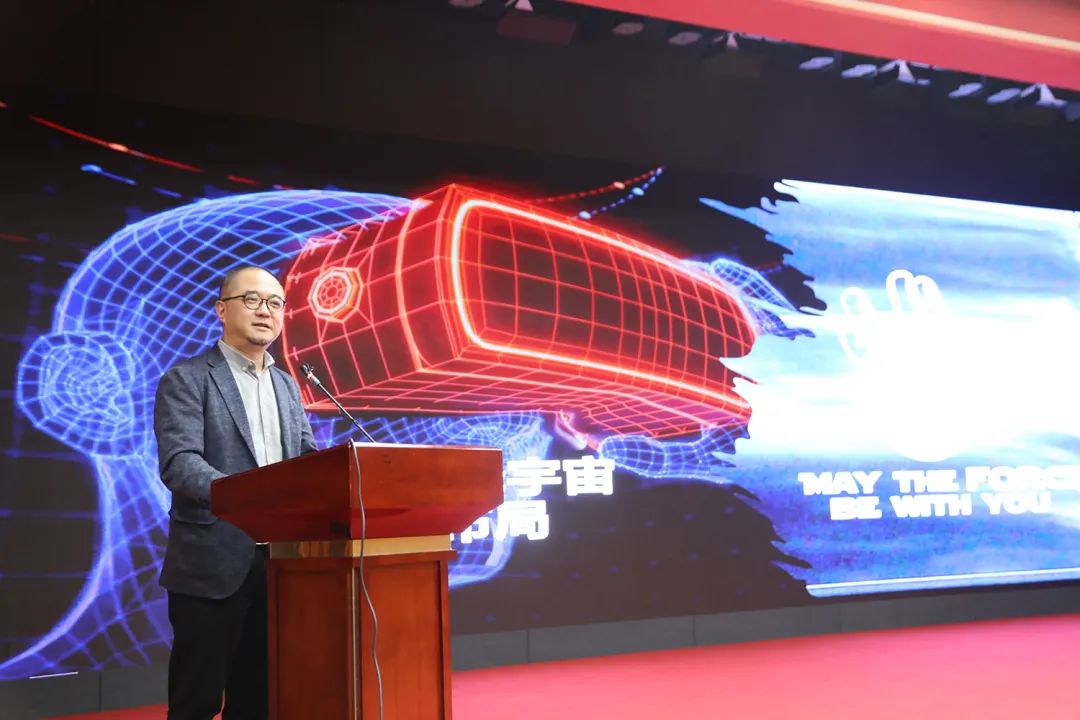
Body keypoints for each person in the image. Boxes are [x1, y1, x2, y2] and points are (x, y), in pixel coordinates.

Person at [154, 266, 317, 720]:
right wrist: (252, 499)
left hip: (279, 566)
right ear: (221, 310)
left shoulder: (286, 384)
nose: (266, 311)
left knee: (259, 701)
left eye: (276, 303)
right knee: (196, 703)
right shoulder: (187, 378)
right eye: (252, 300)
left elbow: (305, 457)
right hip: (211, 565)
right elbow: (180, 463)